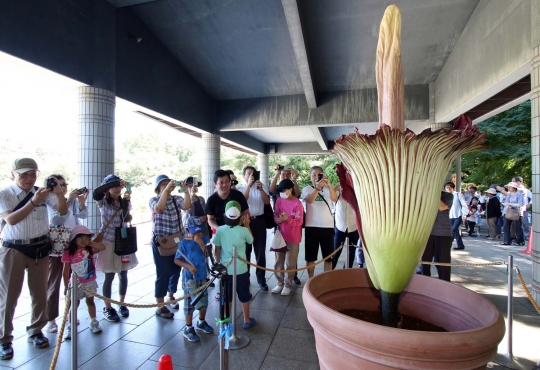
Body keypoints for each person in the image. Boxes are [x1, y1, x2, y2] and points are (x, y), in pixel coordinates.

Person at [0, 158, 67, 360]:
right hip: (14, 248)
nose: (29, 178)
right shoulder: (5, 194)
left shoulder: (43, 193)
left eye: (33, 174)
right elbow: (10, 219)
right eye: (24, 174)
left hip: (40, 248)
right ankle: (4, 339)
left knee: (39, 292)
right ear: (13, 174)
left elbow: (62, 210)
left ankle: (36, 331)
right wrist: (34, 202)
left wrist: (58, 193)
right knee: (9, 296)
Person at [45, 174, 89, 334]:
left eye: (65, 184)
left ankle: (71, 313)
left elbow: (83, 216)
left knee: (75, 282)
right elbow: (55, 220)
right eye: (59, 184)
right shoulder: (49, 200)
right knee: (54, 283)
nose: (63, 187)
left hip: (73, 247)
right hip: (57, 249)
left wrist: (82, 204)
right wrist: (68, 200)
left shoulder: (73, 200)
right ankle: (51, 319)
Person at [93, 174, 138, 322]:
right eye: (113, 186)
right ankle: (107, 307)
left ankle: (121, 303)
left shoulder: (125, 201)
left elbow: (126, 217)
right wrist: (112, 183)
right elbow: (96, 193)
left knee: (123, 274)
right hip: (107, 242)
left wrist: (128, 189)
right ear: (107, 188)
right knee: (109, 275)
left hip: (123, 241)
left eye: (119, 186)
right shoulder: (103, 202)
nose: (117, 189)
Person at [150, 175, 192, 318]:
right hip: (162, 243)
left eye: (169, 184)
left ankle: (171, 296)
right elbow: (159, 209)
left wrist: (186, 191)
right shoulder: (154, 200)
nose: (167, 186)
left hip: (177, 240)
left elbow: (187, 206)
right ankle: (160, 306)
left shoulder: (176, 199)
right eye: (163, 184)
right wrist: (166, 192)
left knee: (176, 269)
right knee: (163, 273)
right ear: (158, 188)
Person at [213, 201, 256, 329]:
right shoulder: (243, 230)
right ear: (240, 216)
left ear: (225, 214)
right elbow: (251, 241)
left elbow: (217, 249)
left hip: (226, 270)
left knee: (227, 297)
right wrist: (247, 225)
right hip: (242, 269)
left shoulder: (220, 230)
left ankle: (226, 322)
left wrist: (217, 263)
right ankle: (246, 320)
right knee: (244, 295)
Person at [61, 225, 106, 340]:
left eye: (86, 237)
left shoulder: (89, 249)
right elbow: (66, 270)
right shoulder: (68, 252)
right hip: (75, 283)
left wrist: (90, 244)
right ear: (74, 239)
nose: (83, 240)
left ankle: (94, 322)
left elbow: (103, 247)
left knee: (90, 301)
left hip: (89, 281)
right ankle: (70, 325)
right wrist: (66, 285)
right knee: (74, 304)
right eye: (80, 237)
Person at [174, 216, 214, 342]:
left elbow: (208, 254)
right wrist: (188, 266)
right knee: (189, 304)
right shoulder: (183, 243)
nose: (197, 233)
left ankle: (201, 322)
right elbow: (177, 259)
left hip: (202, 276)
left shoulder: (204, 240)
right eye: (194, 231)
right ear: (187, 230)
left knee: (204, 301)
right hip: (189, 279)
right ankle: (188, 327)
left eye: (199, 231)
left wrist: (201, 243)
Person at [237, 166, 271, 290]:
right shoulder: (240, 188)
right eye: (248, 174)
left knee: (260, 251)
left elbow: (267, 202)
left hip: (260, 221)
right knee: (246, 251)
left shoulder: (261, 186)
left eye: (253, 174)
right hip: (245, 222)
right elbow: (242, 201)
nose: (251, 176)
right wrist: (248, 186)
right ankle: (245, 277)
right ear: (244, 176)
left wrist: (261, 189)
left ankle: (261, 278)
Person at [301, 166, 338, 278]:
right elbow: (310, 200)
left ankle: (327, 279)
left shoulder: (327, 189)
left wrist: (329, 184)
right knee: (310, 257)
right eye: (314, 175)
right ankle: (310, 279)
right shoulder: (306, 189)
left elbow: (335, 199)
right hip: (312, 226)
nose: (316, 177)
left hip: (327, 226)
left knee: (328, 257)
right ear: (310, 176)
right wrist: (317, 188)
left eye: (319, 174)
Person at [268, 164, 302, 285]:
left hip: (293, 235)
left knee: (291, 262)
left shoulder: (297, 202)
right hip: (280, 233)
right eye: (283, 173)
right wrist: (278, 220)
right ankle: (279, 283)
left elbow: (299, 221)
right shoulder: (278, 198)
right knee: (278, 261)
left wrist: (288, 219)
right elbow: (271, 192)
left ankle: (289, 282)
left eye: (288, 173)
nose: (285, 175)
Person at [421, 191, 454, 281]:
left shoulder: (448, 196)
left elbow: (442, 207)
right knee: (424, 262)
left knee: (443, 264)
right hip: (426, 233)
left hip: (443, 234)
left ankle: (445, 285)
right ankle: (424, 284)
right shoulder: (421, 194)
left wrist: (430, 191)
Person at [332, 184, 363, 269]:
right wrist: (340, 184)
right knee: (335, 252)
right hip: (340, 227)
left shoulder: (356, 195)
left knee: (351, 253)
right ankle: (329, 272)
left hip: (353, 227)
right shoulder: (338, 194)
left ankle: (346, 272)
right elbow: (330, 193)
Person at [498, 182, 526, 246]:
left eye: (510, 187)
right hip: (507, 212)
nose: (509, 188)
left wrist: (511, 204)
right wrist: (503, 213)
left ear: (514, 188)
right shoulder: (509, 194)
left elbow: (520, 204)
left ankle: (520, 241)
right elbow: (506, 204)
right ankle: (507, 241)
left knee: (517, 227)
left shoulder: (519, 194)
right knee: (506, 226)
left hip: (516, 212)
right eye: (508, 187)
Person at [445, 181, 468, 250]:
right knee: (455, 231)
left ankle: (447, 245)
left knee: (453, 229)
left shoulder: (458, 194)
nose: (448, 189)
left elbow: (464, 205)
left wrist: (464, 214)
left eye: (450, 187)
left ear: (453, 188)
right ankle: (460, 245)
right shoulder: (445, 196)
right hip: (450, 215)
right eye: (447, 187)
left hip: (458, 215)